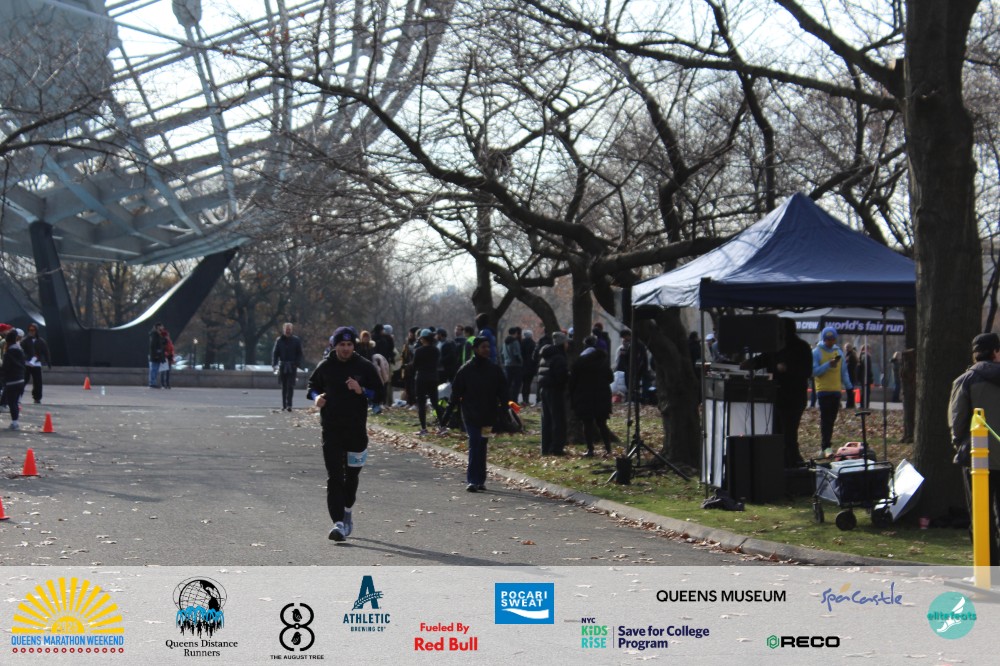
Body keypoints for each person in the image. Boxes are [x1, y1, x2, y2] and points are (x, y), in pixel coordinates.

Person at [307, 326, 382, 541]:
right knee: (334, 477)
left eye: (349, 344)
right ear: (335, 345)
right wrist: (316, 398)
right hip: (331, 429)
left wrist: (362, 390)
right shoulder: (325, 366)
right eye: (342, 344)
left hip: (356, 430)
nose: (346, 348)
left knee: (352, 477)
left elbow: (379, 393)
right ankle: (338, 523)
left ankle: (347, 510)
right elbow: (311, 387)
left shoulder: (364, 366)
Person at [949, 332, 1000, 565]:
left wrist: (959, 444)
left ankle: (987, 568)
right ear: (996, 352)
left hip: (978, 459)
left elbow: (957, 422)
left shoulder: (965, 381)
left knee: (980, 516)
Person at [741, 319, 813, 467]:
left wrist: (788, 368)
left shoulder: (801, 347)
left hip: (793, 398)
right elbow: (764, 359)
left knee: (789, 435)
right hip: (777, 397)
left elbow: (807, 371)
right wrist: (750, 363)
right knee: (777, 434)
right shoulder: (776, 346)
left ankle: (792, 464)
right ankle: (781, 463)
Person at [450, 336, 508, 492]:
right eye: (483, 347)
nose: (486, 350)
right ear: (475, 349)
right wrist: (449, 412)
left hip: (488, 415)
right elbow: (456, 392)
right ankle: (472, 480)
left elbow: (503, 391)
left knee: (482, 445)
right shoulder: (466, 369)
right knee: (474, 443)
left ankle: (481, 480)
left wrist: (505, 408)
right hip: (471, 415)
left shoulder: (494, 369)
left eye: (488, 347)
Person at [569, 336, 614, 457]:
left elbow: (572, 382)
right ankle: (608, 449)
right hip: (602, 396)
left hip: (584, 396)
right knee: (602, 424)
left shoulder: (579, 362)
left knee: (587, 424)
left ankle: (590, 449)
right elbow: (611, 378)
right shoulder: (603, 361)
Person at [812, 327, 853, 458]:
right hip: (823, 391)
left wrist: (849, 388)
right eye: (827, 339)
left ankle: (826, 445)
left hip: (836, 391)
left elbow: (844, 372)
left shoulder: (838, 352)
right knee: (826, 419)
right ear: (823, 339)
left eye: (832, 339)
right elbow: (814, 372)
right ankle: (826, 446)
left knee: (831, 419)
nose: (830, 342)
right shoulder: (816, 352)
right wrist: (827, 365)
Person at [536, 331, 569, 456]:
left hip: (544, 389)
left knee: (546, 420)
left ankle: (545, 447)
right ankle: (557, 448)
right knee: (558, 420)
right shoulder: (559, 358)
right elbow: (561, 376)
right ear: (562, 343)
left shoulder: (546, 355)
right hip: (555, 391)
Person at [412, 328, 443, 436]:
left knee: (421, 404)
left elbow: (414, 365)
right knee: (435, 402)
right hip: (433, 377)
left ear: (423, 339)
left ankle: (424, 429)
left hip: (421, 378)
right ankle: (443, 426)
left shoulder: (419, 351)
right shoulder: (436, 350)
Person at [272, 322, 304, 412]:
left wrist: (297, 363)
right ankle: (284, 405)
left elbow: (299, 353)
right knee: (284, 386)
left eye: (289, 329)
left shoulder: (296, 340)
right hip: (282, 366)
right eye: (286, 329)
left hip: (292, 366)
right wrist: (274, 365)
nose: (288, 331)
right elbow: (275, 353)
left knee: (290, 385)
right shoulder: (279, 340)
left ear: (291, 330)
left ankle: (289, 405)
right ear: (284, 330)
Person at [1, 328, 26, 430]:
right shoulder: (20, 351)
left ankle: (15, 423)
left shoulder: (8, 353)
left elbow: (5, 368)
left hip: (11, 381)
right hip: (21, 380)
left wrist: (2, 377)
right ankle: (15, 422)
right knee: (15, 402)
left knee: (12, 403)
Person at [614, 329, 648, 403]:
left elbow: (640, 358)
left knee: (635, 384)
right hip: (629, 368)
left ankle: (635, 399)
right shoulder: (627, 345)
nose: (624, 339)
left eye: (624, 337)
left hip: (636, 368)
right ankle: (631, 398)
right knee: (629, 384)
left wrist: (636, 368)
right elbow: (624, 358)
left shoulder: (637, 344)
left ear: (628, 335)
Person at [21, 323, 50, 404]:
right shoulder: (25, 340)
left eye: (33, 330)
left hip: (37, 364)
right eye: (30, 330)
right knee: (24, 380)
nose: (31, 332)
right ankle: (19, 395)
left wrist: (48, 362)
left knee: (37, 382)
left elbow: (46, 352)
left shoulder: (41, 341)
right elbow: (21, 351)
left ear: (36, 331)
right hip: (27, 363)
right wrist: (26, 358)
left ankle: (37, 398)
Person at [500, 327, 523, 404]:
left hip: (507, 364)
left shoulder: (504, 342)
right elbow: (516, 354)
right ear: (515, 333)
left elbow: (502, 354)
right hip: (516, 365)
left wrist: (504, 362)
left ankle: (506, 400)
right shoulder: (515, 342)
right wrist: (521, 362)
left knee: (508, 384)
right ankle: (514, 401)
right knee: (517, 384)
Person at [519, 329, 537, 405]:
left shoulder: (521, 343)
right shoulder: (533, 344)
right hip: (530, 367)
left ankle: (523, 399)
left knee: (524, 384)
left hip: (522, 366)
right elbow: (535, 356)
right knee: (528, 383)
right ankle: (527, 400)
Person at [148, 322, 165, 388]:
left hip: (158, 354)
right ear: (158, 327)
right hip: (155, 355)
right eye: (161, 326)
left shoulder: (159, 334)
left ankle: (153, 382)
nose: (163, 328)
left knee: (156, 369)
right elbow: (153, 345)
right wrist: (155, 354)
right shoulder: (154, 334)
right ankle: (152, 382)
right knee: (154, 369)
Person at [858, 344, 875, 408]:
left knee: (864, 392)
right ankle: (865, 405)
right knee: (867, 392)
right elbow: (868, 369)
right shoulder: (866, 356)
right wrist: (871, 378)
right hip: (866, 377)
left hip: (862, 377)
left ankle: (862, 405)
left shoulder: (860, 356)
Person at [843, 342, 859, 408]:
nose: (846, 349)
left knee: (850, 390)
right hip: (850, 375)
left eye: (848, 347)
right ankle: (850, 404)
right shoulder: (849, 355)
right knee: (849, 390)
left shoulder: (851, 355)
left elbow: (850, 366)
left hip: (850, 375)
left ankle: (850, 404)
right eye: (846, 347)